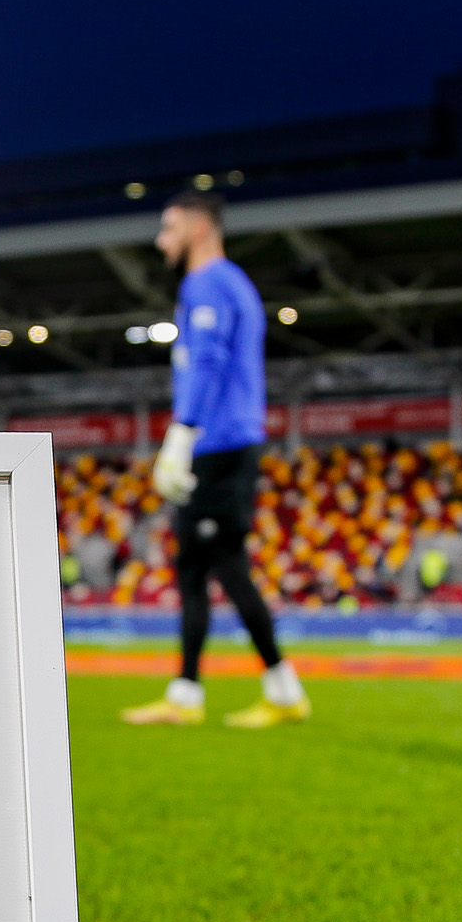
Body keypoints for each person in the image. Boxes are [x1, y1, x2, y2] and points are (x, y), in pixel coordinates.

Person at [119, 191, 309, 729]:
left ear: (199, 229)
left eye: (170, 227)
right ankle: (189, 692)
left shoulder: (208, 283)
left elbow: (207, 361)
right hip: (224, 443)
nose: (162, 240)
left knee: (223, 566)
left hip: (219, 446)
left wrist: (182, 433)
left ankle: (281, 689)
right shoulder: (232, 284)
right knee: (195, 568)